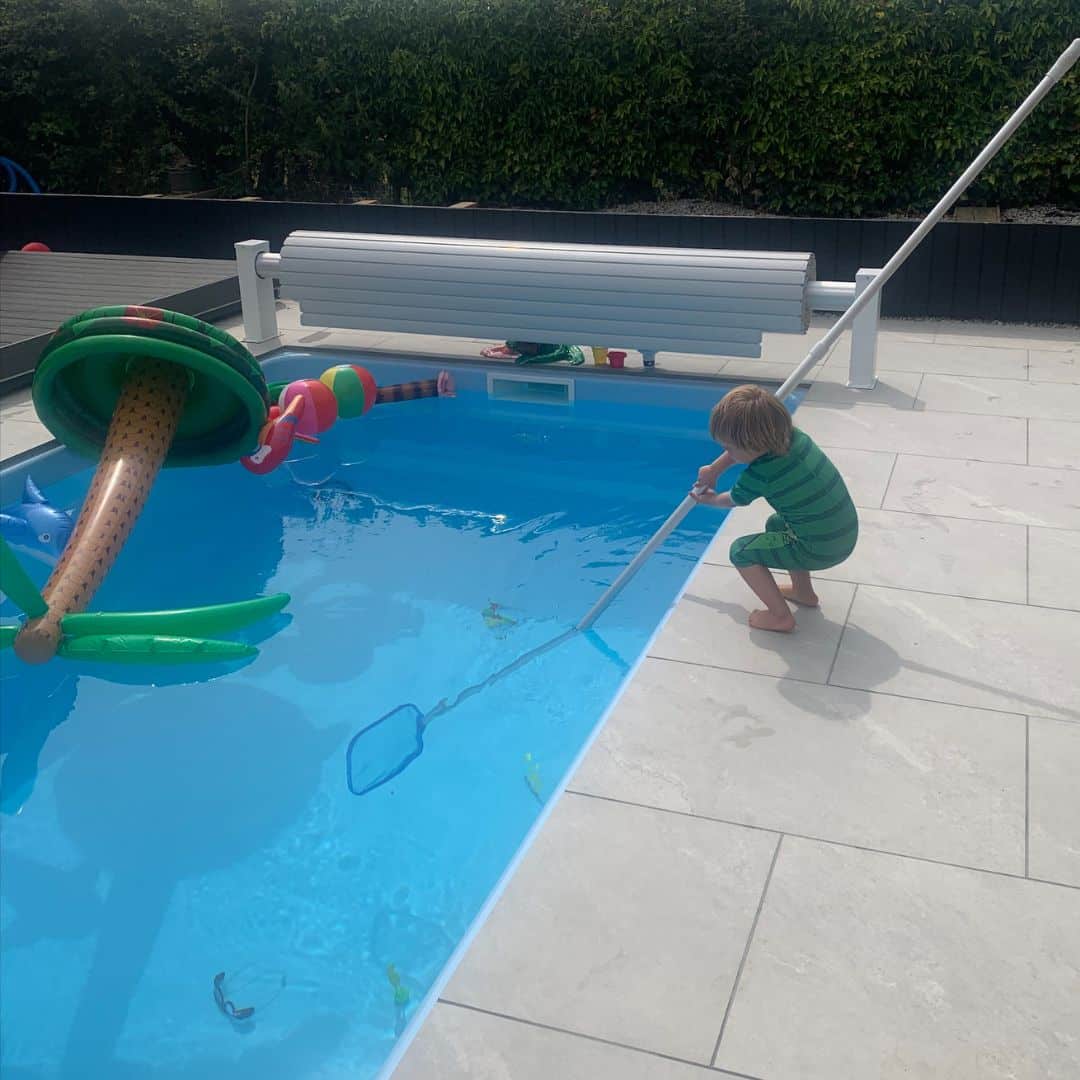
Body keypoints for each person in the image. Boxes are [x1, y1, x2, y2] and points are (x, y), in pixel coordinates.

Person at [691, 385, 858, 633]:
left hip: (820, 548)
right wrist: (714, 469)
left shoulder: (761, 474)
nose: (727, 453)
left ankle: (781, 617)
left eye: (729, 448)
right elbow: (741, 450)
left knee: (741, 551)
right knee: (777, 523)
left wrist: (708, 500)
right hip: (842, 532)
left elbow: (729, 500)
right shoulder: (793, 437)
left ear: (750, 444)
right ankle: (804, 592)